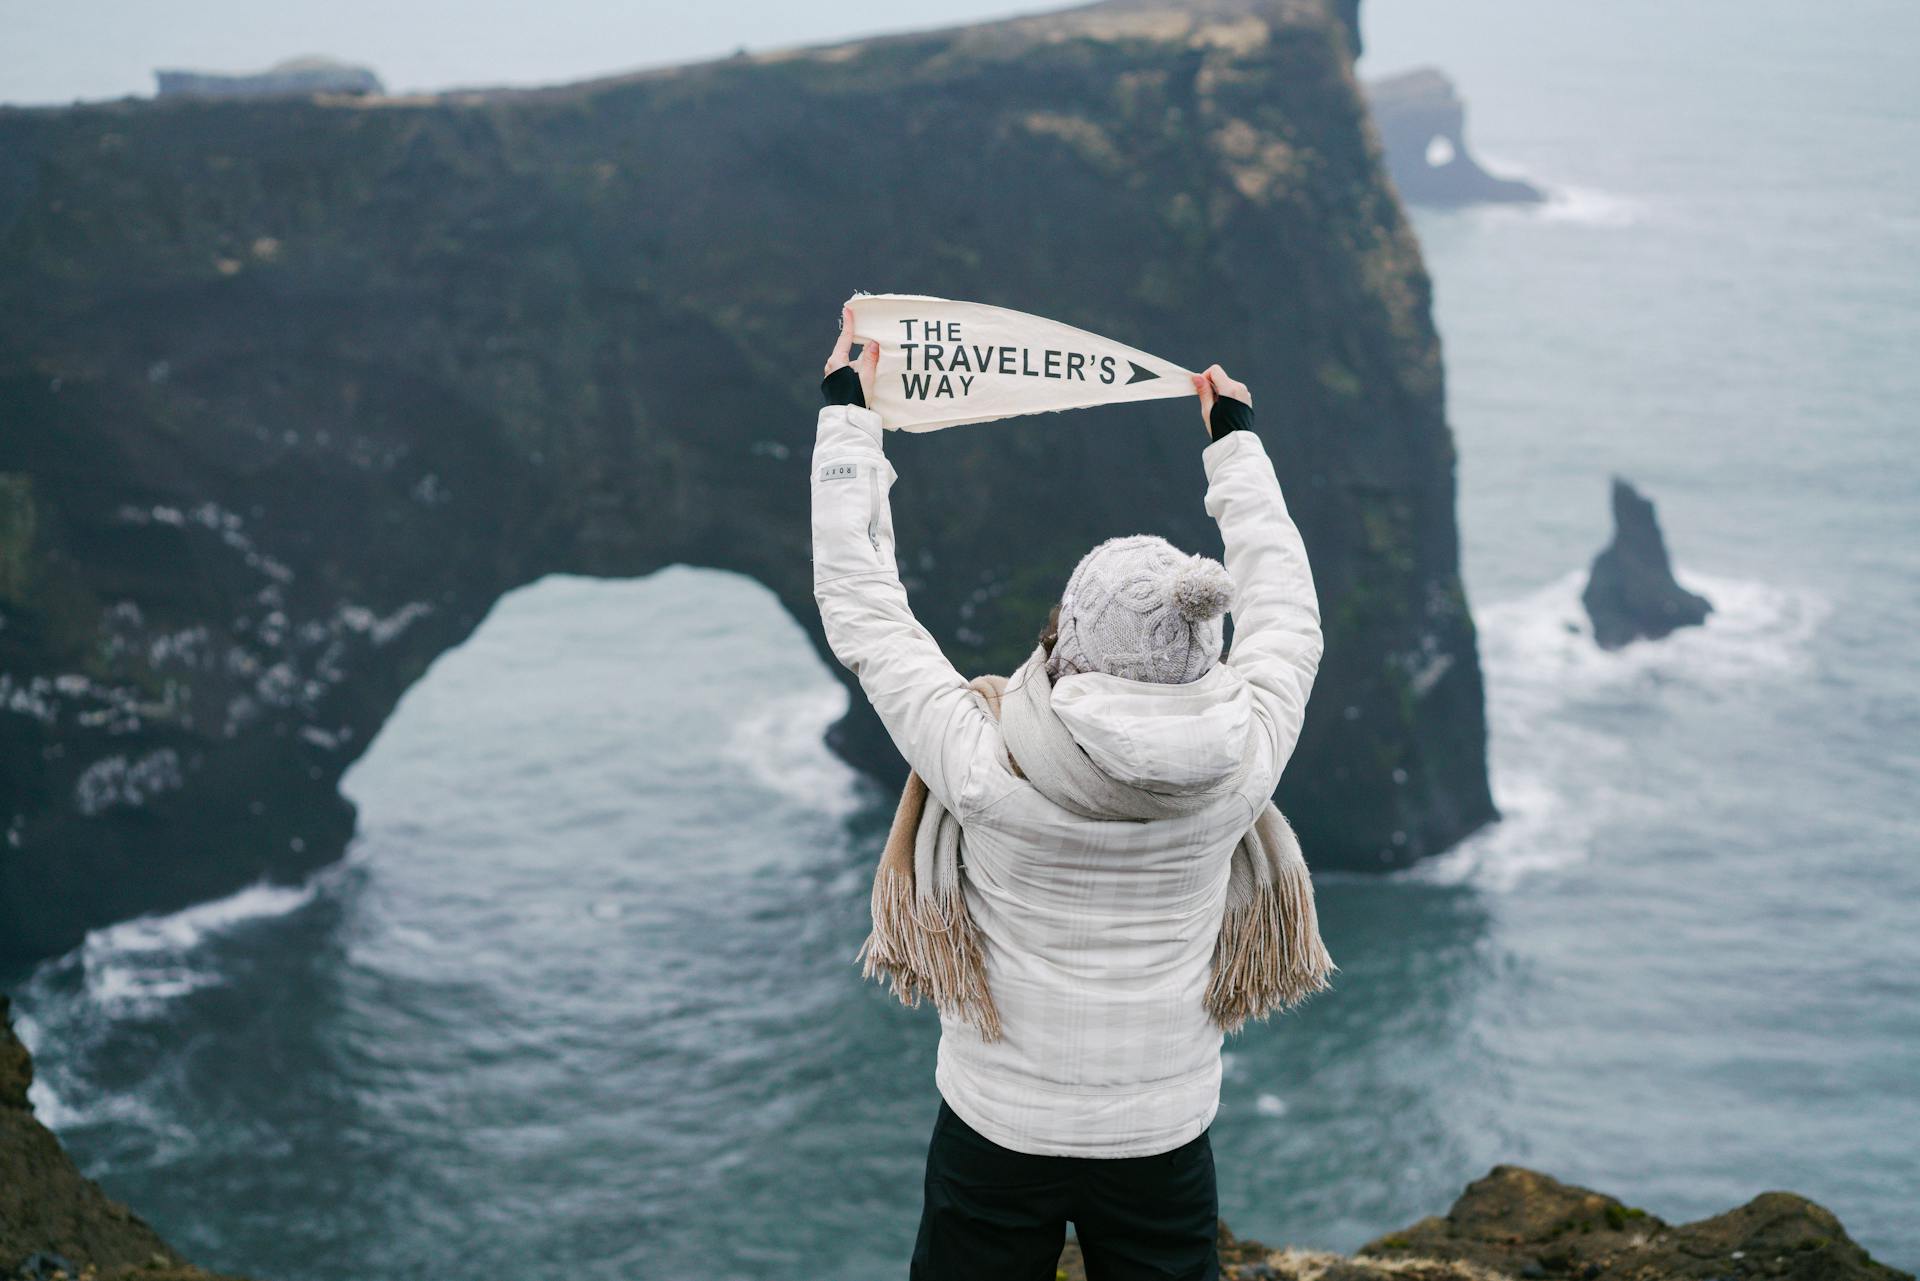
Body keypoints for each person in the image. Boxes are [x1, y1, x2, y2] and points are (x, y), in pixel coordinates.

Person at [811, 307, 1323, 1281]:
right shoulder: (1243, 758)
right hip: (1161, 1132)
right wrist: (1238, 451)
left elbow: (864, 608)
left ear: (1067, 640)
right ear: (1202, 649)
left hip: (998, 1125)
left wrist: (849, 419)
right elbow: (1289, 612)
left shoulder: (984, 762)